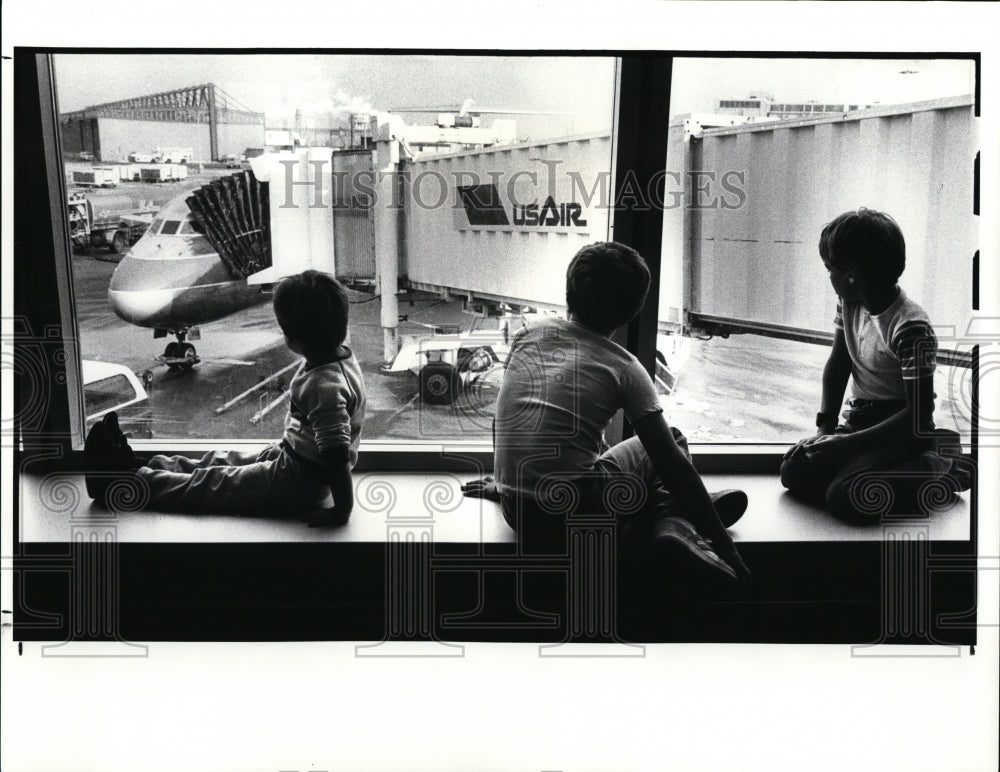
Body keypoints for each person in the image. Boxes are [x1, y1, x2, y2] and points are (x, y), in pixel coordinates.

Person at [464, 241, 751, 582]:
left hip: (519, 513)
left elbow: (505, 422)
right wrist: (726, 547)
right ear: (634, 310)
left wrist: (503, 484)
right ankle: (674, 519)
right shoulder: (624, 366)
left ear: (568, 291)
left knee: (599, 456)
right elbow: (671, 463)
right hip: (583, 516)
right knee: (672, 440)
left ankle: (675, 508)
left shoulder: (529, 334)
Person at [85, 270, 366, 526]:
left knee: (210, 484)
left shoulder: (324, 387)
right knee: (221, 460)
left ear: (291, 339)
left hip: (299, 483)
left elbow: (335, 454)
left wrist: (342, 510)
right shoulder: (337, 356)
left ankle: (121, 484)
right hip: (295, 461)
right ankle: (138, 465)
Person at [780, 208, 972, 518]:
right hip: (860, 421)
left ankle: (942, 466)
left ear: (852, 272)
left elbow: (918, 417)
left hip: (900, 432)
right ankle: (872, 467)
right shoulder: (850, 303)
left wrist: (843, 446)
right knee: (793, 471)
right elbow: (839, 364)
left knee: (846, 497)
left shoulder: (910, 328)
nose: (828, 275)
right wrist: (824, 430)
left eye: (830, 267)